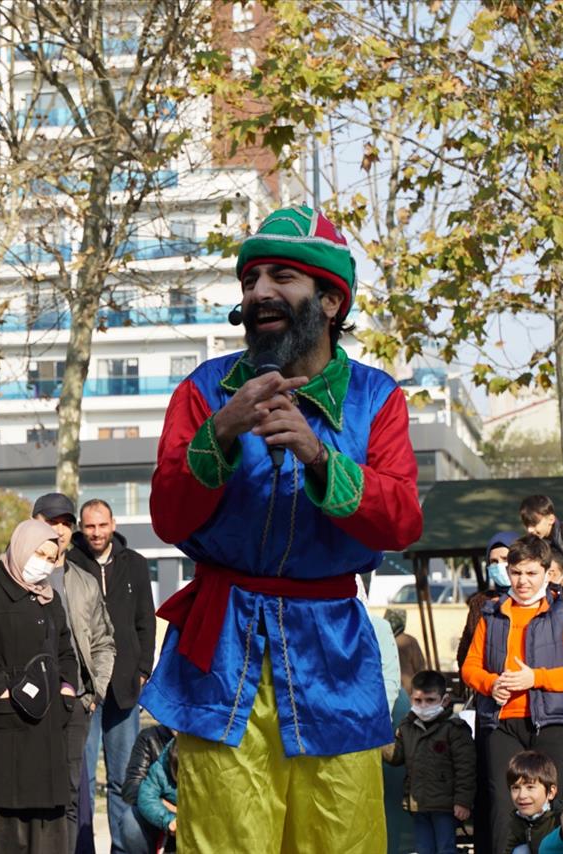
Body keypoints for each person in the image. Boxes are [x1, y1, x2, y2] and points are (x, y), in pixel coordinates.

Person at [144, 204, 423, 852]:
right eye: (250, 280)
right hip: (221, 658)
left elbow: (403, 520)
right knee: (222, 840)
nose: (259, 293)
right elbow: (167, 517)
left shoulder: (376, 399)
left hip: (335, 658)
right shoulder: (203, 392)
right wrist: (220, 431)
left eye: (281, 277)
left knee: (343, 838)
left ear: (329, 299)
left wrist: (323, 458)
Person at [461, 534, 563, 853]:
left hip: (551, 722)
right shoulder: (490, 614)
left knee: (551, 806)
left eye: (531, 572)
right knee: (503, 806)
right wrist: (490, 684)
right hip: (501, 722)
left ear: (547, 573)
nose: (523, 580)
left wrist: (534, 677)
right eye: (516, 572)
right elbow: (470, 668)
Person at [0, 519, 79, 853]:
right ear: (20, 547)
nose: (43, 562)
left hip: (47, 731)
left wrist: (67, 691)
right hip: (0, 733)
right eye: (38, 552)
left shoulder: (49, 599)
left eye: (51, 557)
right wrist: (3, 691)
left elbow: (66, 650)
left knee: (44, 835)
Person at [68, 498, 155, 851]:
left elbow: (145, 622)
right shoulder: (70, 563)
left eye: (102, 525)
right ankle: (82, 847)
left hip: (124, 690)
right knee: (83, 781)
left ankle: (122, 848)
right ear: (80, 527)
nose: (96, 532)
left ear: (113, 524)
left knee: (123, 778)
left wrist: (143, 670)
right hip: (85, 690)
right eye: (89, 526)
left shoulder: (134, 564)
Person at [31, 493, 116, 854]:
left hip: (75, 703)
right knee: (28, 793)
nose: (60, 530)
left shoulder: (84, 582)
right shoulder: (14, 576)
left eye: (66, 523)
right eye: (52, 522)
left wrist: (93, 691)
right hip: (27, 705)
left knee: (69, 796)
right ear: (33, 522)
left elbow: (104, 641)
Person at [382, 670, 475, 854]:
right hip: (418, 805)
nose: (423, 706)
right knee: (423, 848)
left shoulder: (454, 730)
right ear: (411, 700)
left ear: (445, 700)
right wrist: (378, 741)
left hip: (446, 807)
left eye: (430, 700)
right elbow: (396, 756)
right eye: (418, 701)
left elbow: (466, 769)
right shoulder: (407, 728)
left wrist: (463, 802)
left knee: (445, 848)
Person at [119, 723, 175, 854]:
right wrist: (164, 808)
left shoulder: (205, 741)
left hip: (197, 816)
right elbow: (131, 788)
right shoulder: (150, 738)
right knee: (131, 821)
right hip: (157, 814)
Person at [503, 751, 563, 854]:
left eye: (530, 787)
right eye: (515, 788)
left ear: (551, 792)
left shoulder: (561, 817)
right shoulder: (518, 819)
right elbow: (508, 849)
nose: (522, 795)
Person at [133, 740, 179, 853]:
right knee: (130, 821)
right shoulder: (162, 765)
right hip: (170, 821)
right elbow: (146, 797)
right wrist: (168, 820)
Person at [384, 608, 428, 696]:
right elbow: (419, 666)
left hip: (385, 689)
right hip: (407, 691)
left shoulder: (380, 639)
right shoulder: (410, 641)